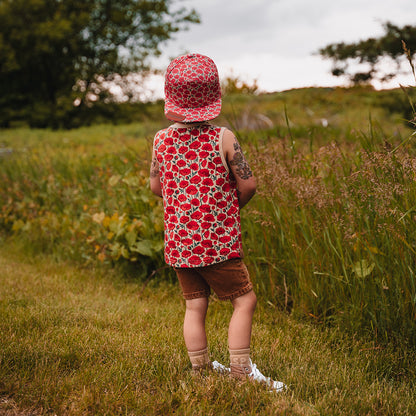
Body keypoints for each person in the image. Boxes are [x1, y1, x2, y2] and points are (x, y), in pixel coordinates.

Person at [149, 53, 284, 392]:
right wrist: (226, 208)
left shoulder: (161, 140)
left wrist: (184, 208)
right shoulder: (222, 137)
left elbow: (155, 187)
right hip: (217, 242)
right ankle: (241, 371)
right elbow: (248, 184)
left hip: (180, 243)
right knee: (244, 300)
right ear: (213, 95)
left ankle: (201, 369)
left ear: (172, 97)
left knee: (195, 305)